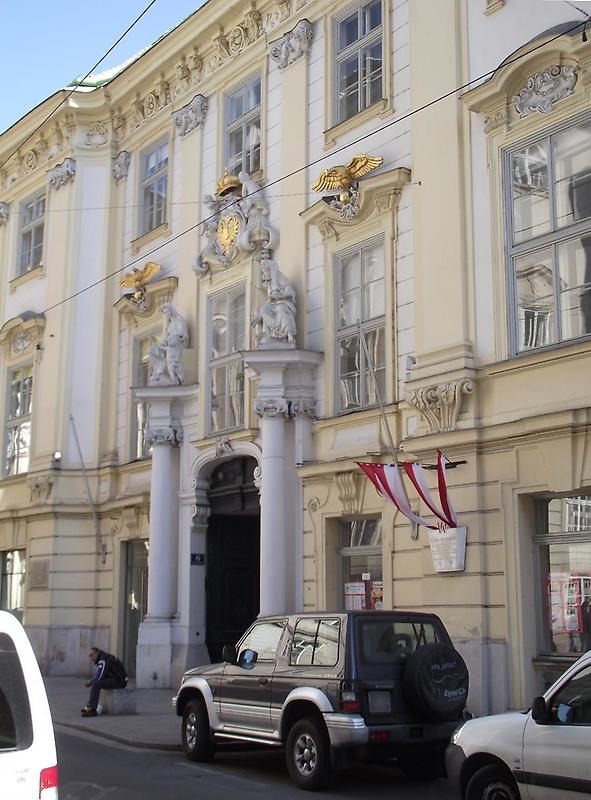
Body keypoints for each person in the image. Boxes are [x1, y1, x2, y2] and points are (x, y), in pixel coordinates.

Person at [81, 647, 127, 717]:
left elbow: (99, 676)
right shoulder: (103, 658)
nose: (91, 658)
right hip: (117, 679)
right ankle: (90, 706)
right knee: (97, 682)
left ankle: (92, 709)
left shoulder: (103, 659)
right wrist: (92, 680)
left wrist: (90, 682)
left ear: (97, 653)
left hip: (120, 681)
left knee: (96, 684)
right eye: (89, 656)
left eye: (92, 655)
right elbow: (100, 674)